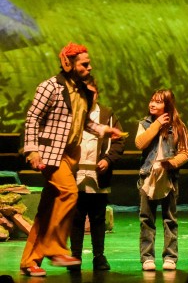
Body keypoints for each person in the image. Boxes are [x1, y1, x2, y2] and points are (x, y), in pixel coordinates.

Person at [20, 43, 123, 277]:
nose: (90, 67)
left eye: (89, 63)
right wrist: (32, 150)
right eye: (84, 64)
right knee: (69, 193)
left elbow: (83, 122)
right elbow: (33, 118)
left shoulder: (81, 91)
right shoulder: (50, 86)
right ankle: (55, 249)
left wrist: (104, 130)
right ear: (68, 63)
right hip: (50, 154)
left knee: (46, 211)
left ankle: (29, 261)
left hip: (69, 156)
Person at [68, 77, 124, 272]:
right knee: (76, 217)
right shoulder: (72, 113)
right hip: (75, 175)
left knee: (98, 218)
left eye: (92, 93)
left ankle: (99, 256)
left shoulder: (107, 114)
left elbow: (118, 141)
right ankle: (75, 256)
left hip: (98, 176)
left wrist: (107, 160)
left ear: (97, 94)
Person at [136, 89, 188, 271]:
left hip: (168, 177)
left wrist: (173, 163)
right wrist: (157, 124)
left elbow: (186, 152)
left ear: (167, 105)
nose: (152, 104)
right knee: (146, 219)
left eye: (158, 102)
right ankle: (147, 257)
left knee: (170, 219)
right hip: (148, 177)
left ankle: (170, 257)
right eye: (152, 100)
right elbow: (140, 143)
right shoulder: (145, 124)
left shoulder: (178, 127)